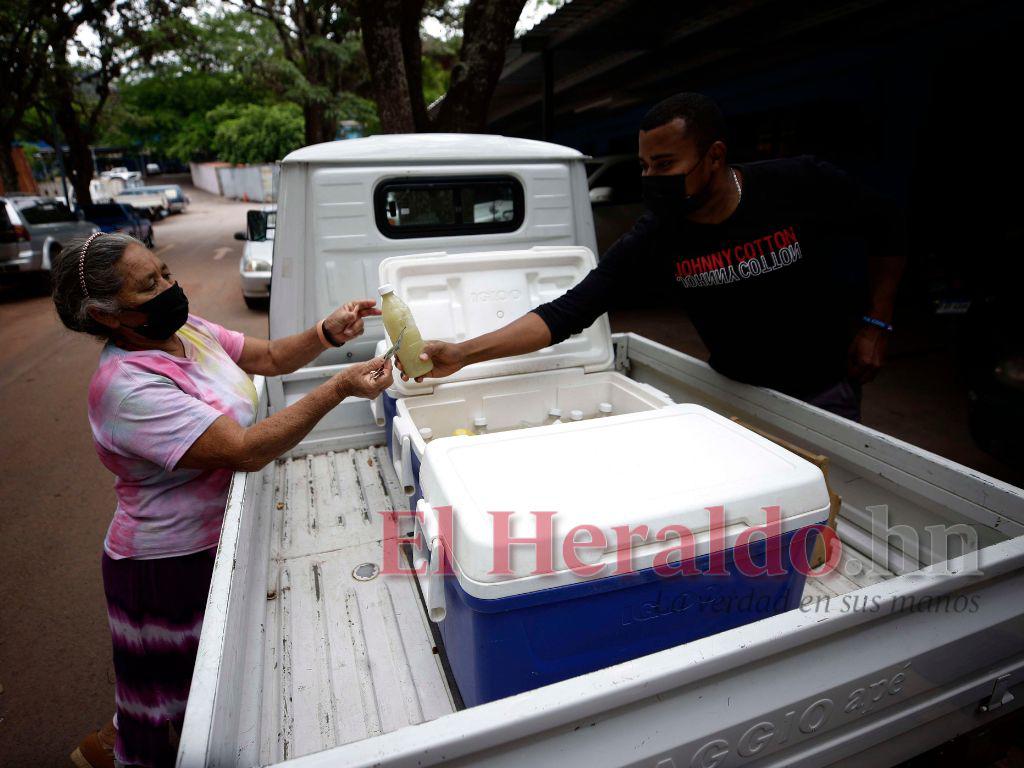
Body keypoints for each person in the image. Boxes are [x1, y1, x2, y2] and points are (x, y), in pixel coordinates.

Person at [54, 232, 393, 768]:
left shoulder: (185, 331)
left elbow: (273, 356)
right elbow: (243, 450)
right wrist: (337, 388)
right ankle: (111, 753)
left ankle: (104, 748)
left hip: (217, 538)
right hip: (166, 564)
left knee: (187, 689)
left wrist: (327, 333)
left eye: (165, 271)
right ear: (108, 315)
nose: (170, 286)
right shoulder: (125, 387)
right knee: (178, 704)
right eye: (150, 285)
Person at [399, 92, 906, 421]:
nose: (651, 179)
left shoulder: (799, 183)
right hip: (736, 394)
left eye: (665, 164)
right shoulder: (660, 232)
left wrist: (876, 323)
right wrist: (464, 354)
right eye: (644, 165)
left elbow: (889, 230)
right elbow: (568, 311)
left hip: (825, 390)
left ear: (714, 157)